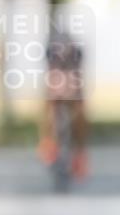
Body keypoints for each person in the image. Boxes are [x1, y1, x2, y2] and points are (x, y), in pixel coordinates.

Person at [36, 28, 89, 181]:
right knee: (49, 109)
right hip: (58, 88)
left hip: (71, 88)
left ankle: (79, 151)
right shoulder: (53, 58)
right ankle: (47, 141)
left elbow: (76, 77)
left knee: (79, 112)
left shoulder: (75, 57)